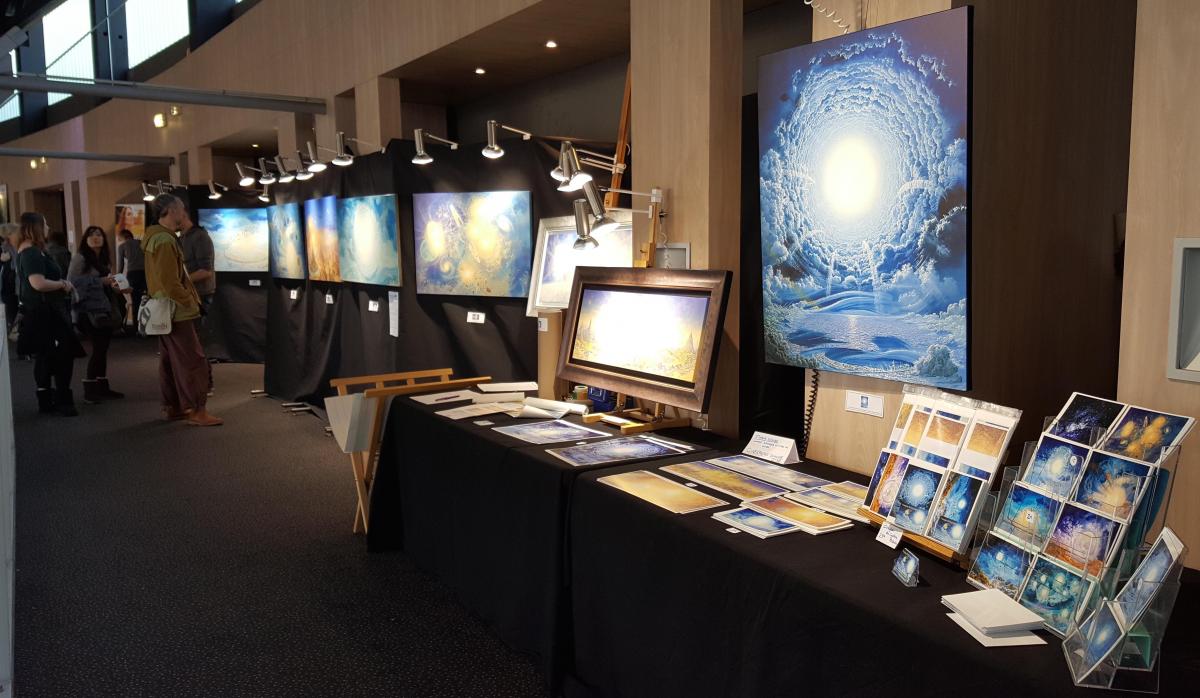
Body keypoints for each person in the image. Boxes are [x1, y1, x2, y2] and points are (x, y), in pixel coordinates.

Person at [143, 194, 221, 426]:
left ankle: (174, 406)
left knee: (169, 360)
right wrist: (188, 300)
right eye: (180, 208)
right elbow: (170, 282)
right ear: (170, 210)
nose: (183, 212)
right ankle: (197, 410)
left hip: (164, 309)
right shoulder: (165, 241)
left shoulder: (154, 237)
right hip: (177, 311)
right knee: (193, 360)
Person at [6, 212, 84, 416]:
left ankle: (48, 398)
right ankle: (60, 399)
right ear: (36, 227)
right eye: (45, 223)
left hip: (44, 311)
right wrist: (62, 284)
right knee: (59, 355)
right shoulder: (31, 253)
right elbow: (37, 283)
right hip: (45, 313)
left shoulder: (33, 251)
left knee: (47, 356)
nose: (48, 227)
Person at [68, 226, 124, 404]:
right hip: (88, 310)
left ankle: (101, 386)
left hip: (105, 307)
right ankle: (90, 389)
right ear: (85, 239)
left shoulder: (104, 259)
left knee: (103, 348)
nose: (96, 238)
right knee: (98, 348)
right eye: (92, 235)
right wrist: (101, 281)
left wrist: (117, 285)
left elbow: (108, 283)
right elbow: (73, 283)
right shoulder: (80, 259)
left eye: (99, 235)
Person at [177, 205, 216, 393]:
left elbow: (205, 271)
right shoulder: (181, 238)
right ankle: (197, 383)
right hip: (188, 296)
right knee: (190, 343)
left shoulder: (200, 237)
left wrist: (179, 281)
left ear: (182, 214)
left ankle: (205, 383)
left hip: (201, 296)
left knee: (197, 342)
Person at [115, 228, 146, 326]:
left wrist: (117, 280)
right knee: (146, 299)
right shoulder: (142, 243)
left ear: (123, 237)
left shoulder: (122, 246)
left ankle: (136, 327)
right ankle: (148, 326)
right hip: (145, 273)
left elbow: (120, 266)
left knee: (135, 301)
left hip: (133, 274)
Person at [1, 230, 17, 335]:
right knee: (10, 305)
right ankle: (11, 327)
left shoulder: (12, 247)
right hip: (9, 281)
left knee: (12, 305)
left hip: (11, 281)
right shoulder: (5, 248)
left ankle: (11, 327)